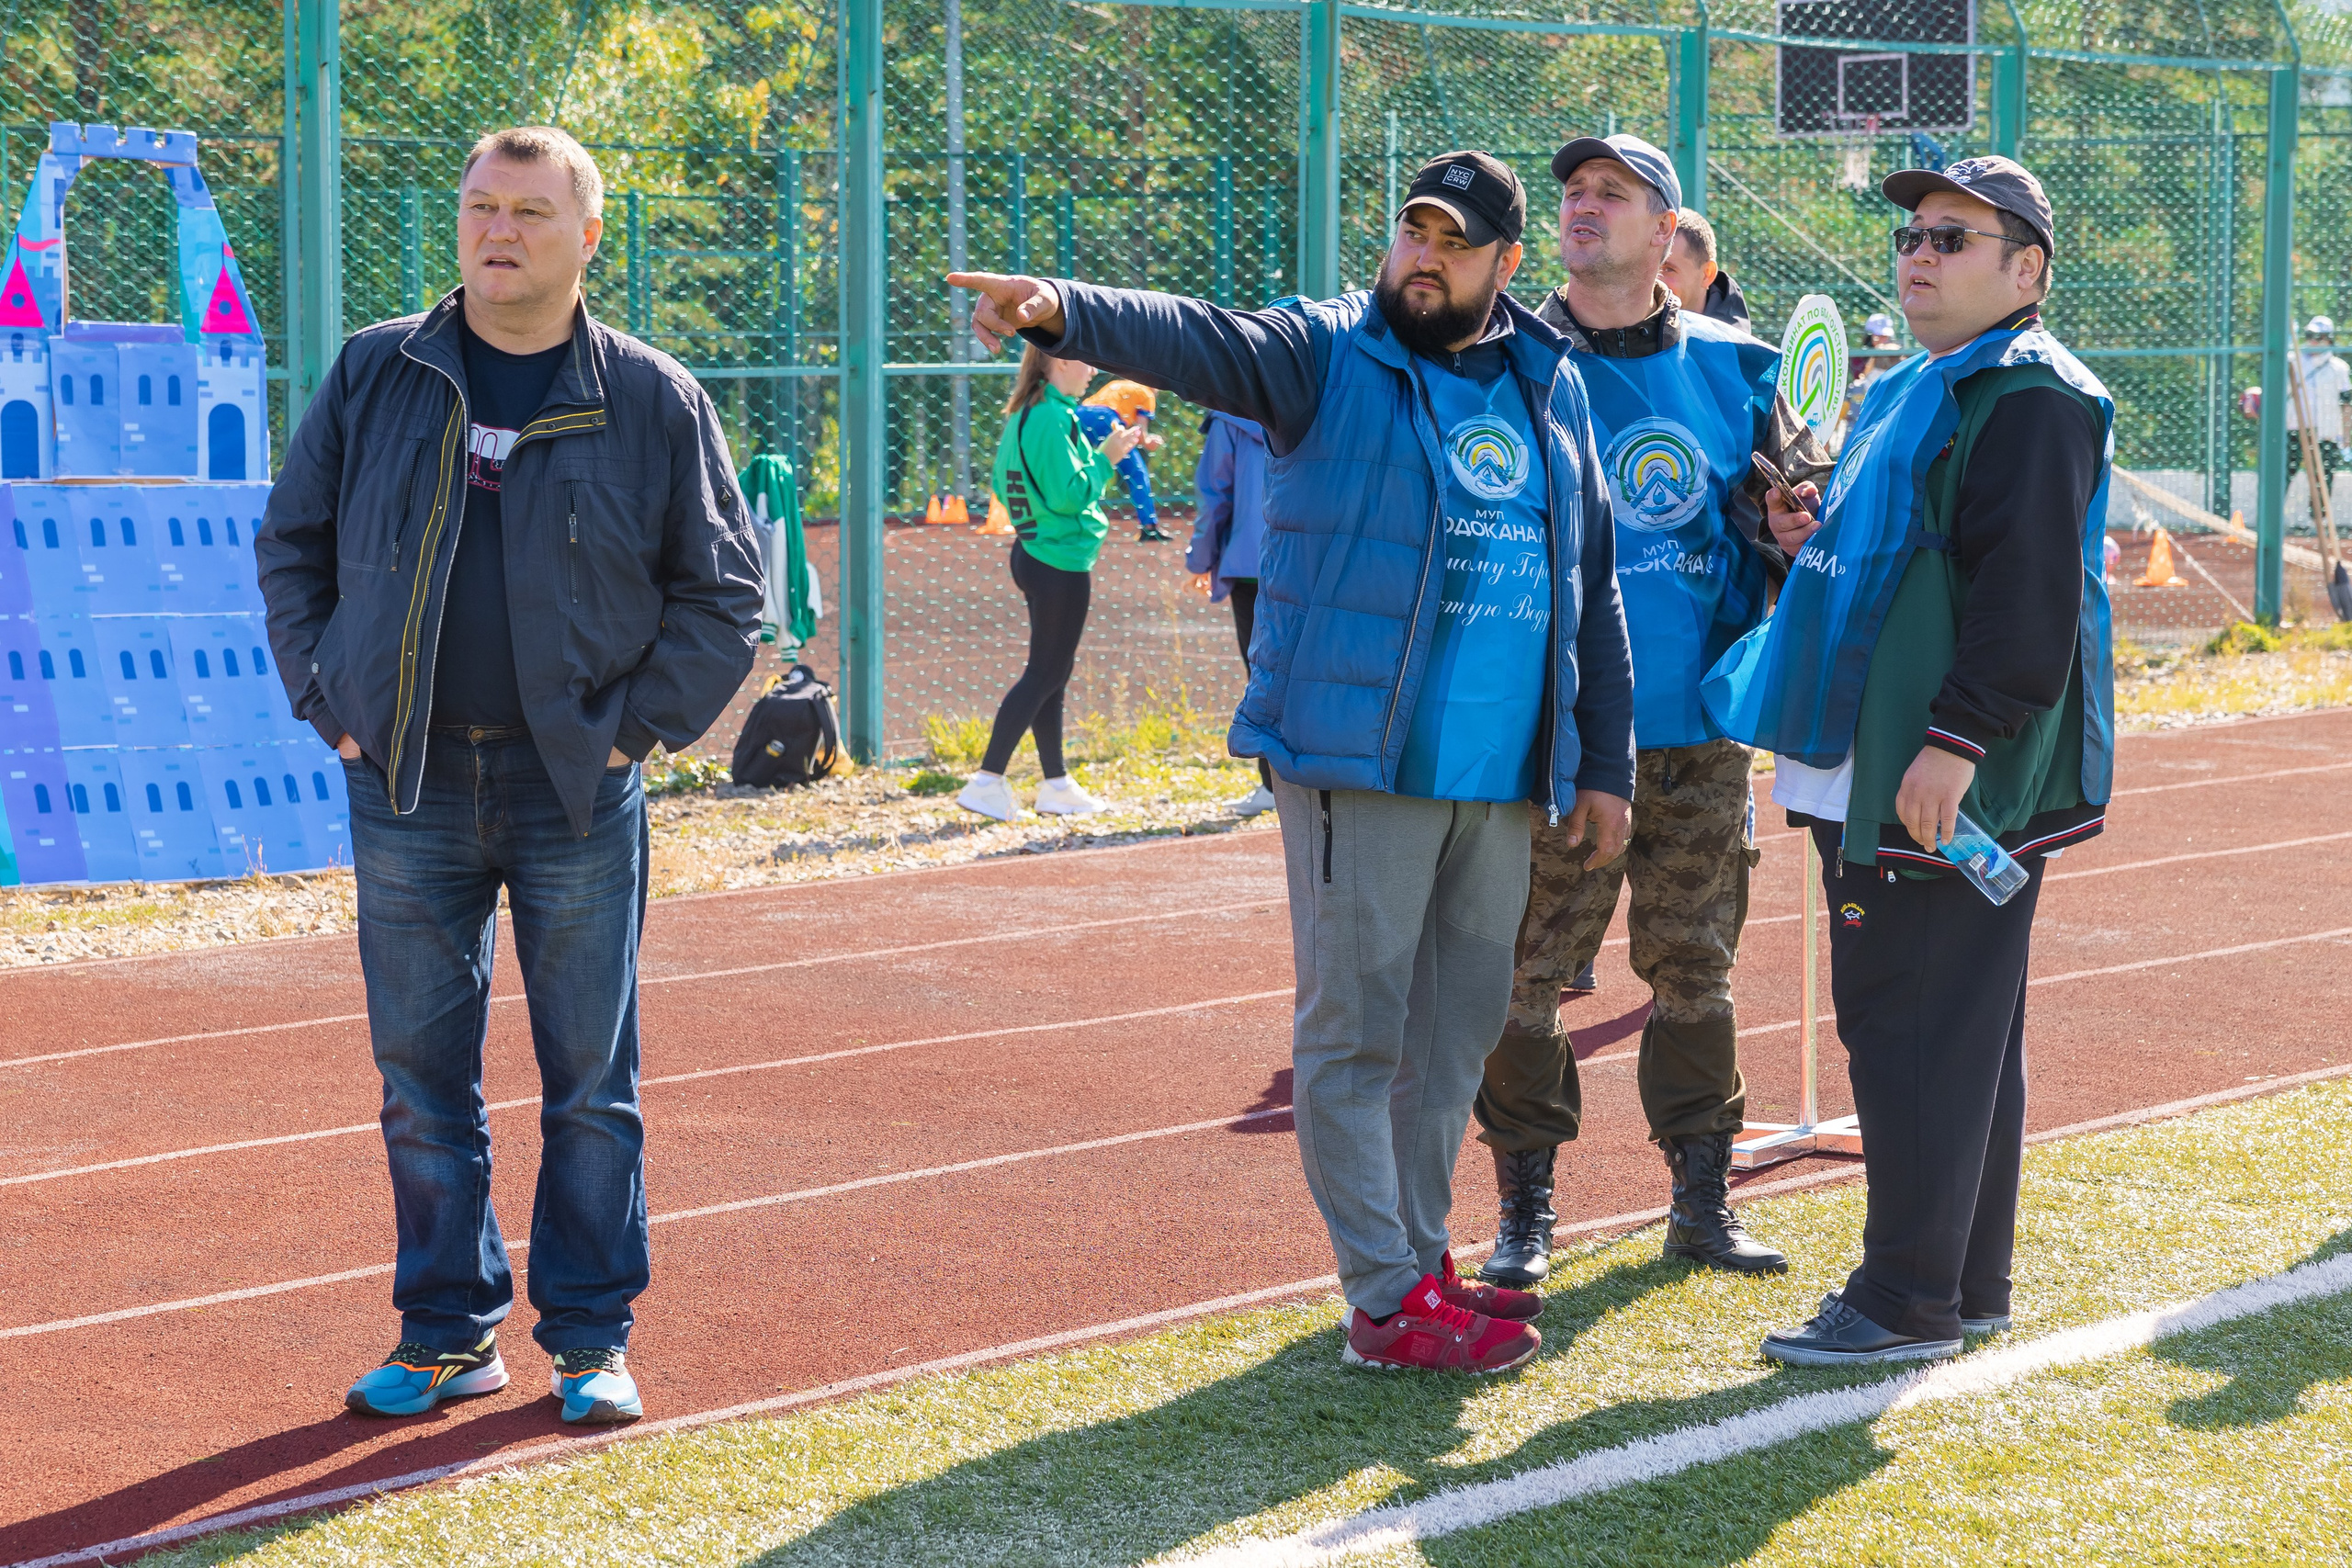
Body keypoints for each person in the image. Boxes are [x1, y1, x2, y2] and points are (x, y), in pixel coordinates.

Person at [950, 147, 1637, 1375]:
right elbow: (1199, 338)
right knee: (1357, 1028)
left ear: (1506, 264)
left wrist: (1606, 763)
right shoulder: (1323, 350)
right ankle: (1383, 1296)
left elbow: (1592, 582)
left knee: (1456, 1032)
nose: (1422, 255)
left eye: (1453, 241)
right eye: (1411, 231)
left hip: (1496, 772)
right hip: (1353, 757)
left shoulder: (1552, 379)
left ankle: (1421, 1257)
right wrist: (1065, 306)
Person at [256, 126, 763, 1423]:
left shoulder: (653, 397)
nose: (500, 231)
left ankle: (590, 1337)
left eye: (532, 211)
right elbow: (291, 546)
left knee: (591, 1079)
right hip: (407, 779)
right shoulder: (380, 372)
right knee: (421, 1077)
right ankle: (444, 1331)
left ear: (589, 234)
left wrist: (631, 732)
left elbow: (723, 596)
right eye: (483, 205)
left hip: (575, 791)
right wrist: (332, 703)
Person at [1702, 155, 2115, 1365]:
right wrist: (1800, 527)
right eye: (1911, 236)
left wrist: (1952, 742)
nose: (1918, 253)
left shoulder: (2025, 394)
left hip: (1936, 770)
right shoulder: (1920, 384)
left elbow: (2027, 600)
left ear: (2025, 267)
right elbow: (1895, 553)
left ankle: (1904, 1297)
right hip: (1884, 756)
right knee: (1960, 1027)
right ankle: (1963, 1281)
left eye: (1953, 236)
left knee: (1910, 1026)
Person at [1475, 132, 1830, 1292]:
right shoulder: (1502, 355)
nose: (1584, 208)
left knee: (1694, 966)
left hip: (1694, 728)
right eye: (1572, 193)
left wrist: (1783, 531)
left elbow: (1795, 537)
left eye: (1612, 196)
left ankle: (1700, 1203)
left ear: (1666, 235)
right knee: (1524, 976)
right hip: (1555, 736)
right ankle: (1524, 1208)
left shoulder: (1742, 368)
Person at [956, 345, 1143, 821]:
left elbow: (1004, 483)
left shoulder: (1029, 413)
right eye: (1085, 359)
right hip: (1059, 561)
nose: (1094, 367)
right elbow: (1070, 493)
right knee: (1044, 674)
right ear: (1059, 362)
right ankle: (987, 780)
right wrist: (1108, 458)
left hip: (1033, 551)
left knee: (1051, 674)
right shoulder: (1053, 419)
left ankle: (1055, 783)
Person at [1186, 410, 1276, 817]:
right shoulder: (1322, 388)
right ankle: (1311, 783)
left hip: (1252, 564)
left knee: (1261, 677)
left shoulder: (1231, 415)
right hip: (1312, 564)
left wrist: (1201, 559)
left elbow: (1215, 492)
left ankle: (1273, 787)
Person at [1079, 378, 1172, 541]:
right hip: (1106, 418)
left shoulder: (1121, 384)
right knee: (1137, 472)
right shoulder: (1147, 394)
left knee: (1075, 467)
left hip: (1079, 415)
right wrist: (1149, 441)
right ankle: (1149, 527)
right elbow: (1141, 433)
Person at [2287, 315, 2348, 513]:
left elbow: (2346, 403)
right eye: (2309, 335)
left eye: (2318, 336)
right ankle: (2272, 516)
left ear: (2328, 338)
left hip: (2325, 432)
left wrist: (2347, 435)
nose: (2312, 341)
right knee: (2283, 473)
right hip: (2294, 428)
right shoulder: (2293, 361)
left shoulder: (2339, 368)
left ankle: (2319, 521)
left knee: (2323, 478)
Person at [1654, 205, 1750, 330]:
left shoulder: (1730, 346)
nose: (1653, 279)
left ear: (1707, 274)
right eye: (1648, 265)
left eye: (1668, 269)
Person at [1831, 312, 1905, 454]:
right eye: (1878, 336)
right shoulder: (1860, 358)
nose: (1882, 339)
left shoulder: (1893, 358)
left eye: (1885, 336)